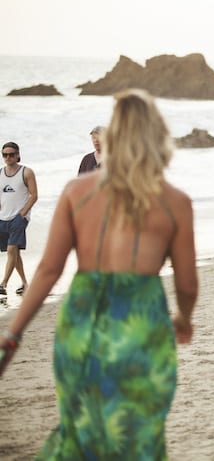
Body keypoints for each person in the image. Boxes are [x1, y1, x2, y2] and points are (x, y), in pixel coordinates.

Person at [0, 89, 199, 459]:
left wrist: (12, 335)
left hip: (83, 321)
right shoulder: (175, 202)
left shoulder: (78, 191)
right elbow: (187, 282)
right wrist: (183, 318)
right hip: (144, 324)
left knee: (80, 428)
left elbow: (48, 270)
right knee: (140, 435)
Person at [0, 142, 38, 297]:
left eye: (11, 154)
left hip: (19, 218)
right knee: (14, 253)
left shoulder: (26, 172)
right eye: (5, 155)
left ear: (17, 155)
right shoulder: (0, 173)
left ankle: (3, 284)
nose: (8, 157)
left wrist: (22, 214)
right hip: (3, 218)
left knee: (11, 250)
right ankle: (24, 283)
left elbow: (34, 195)